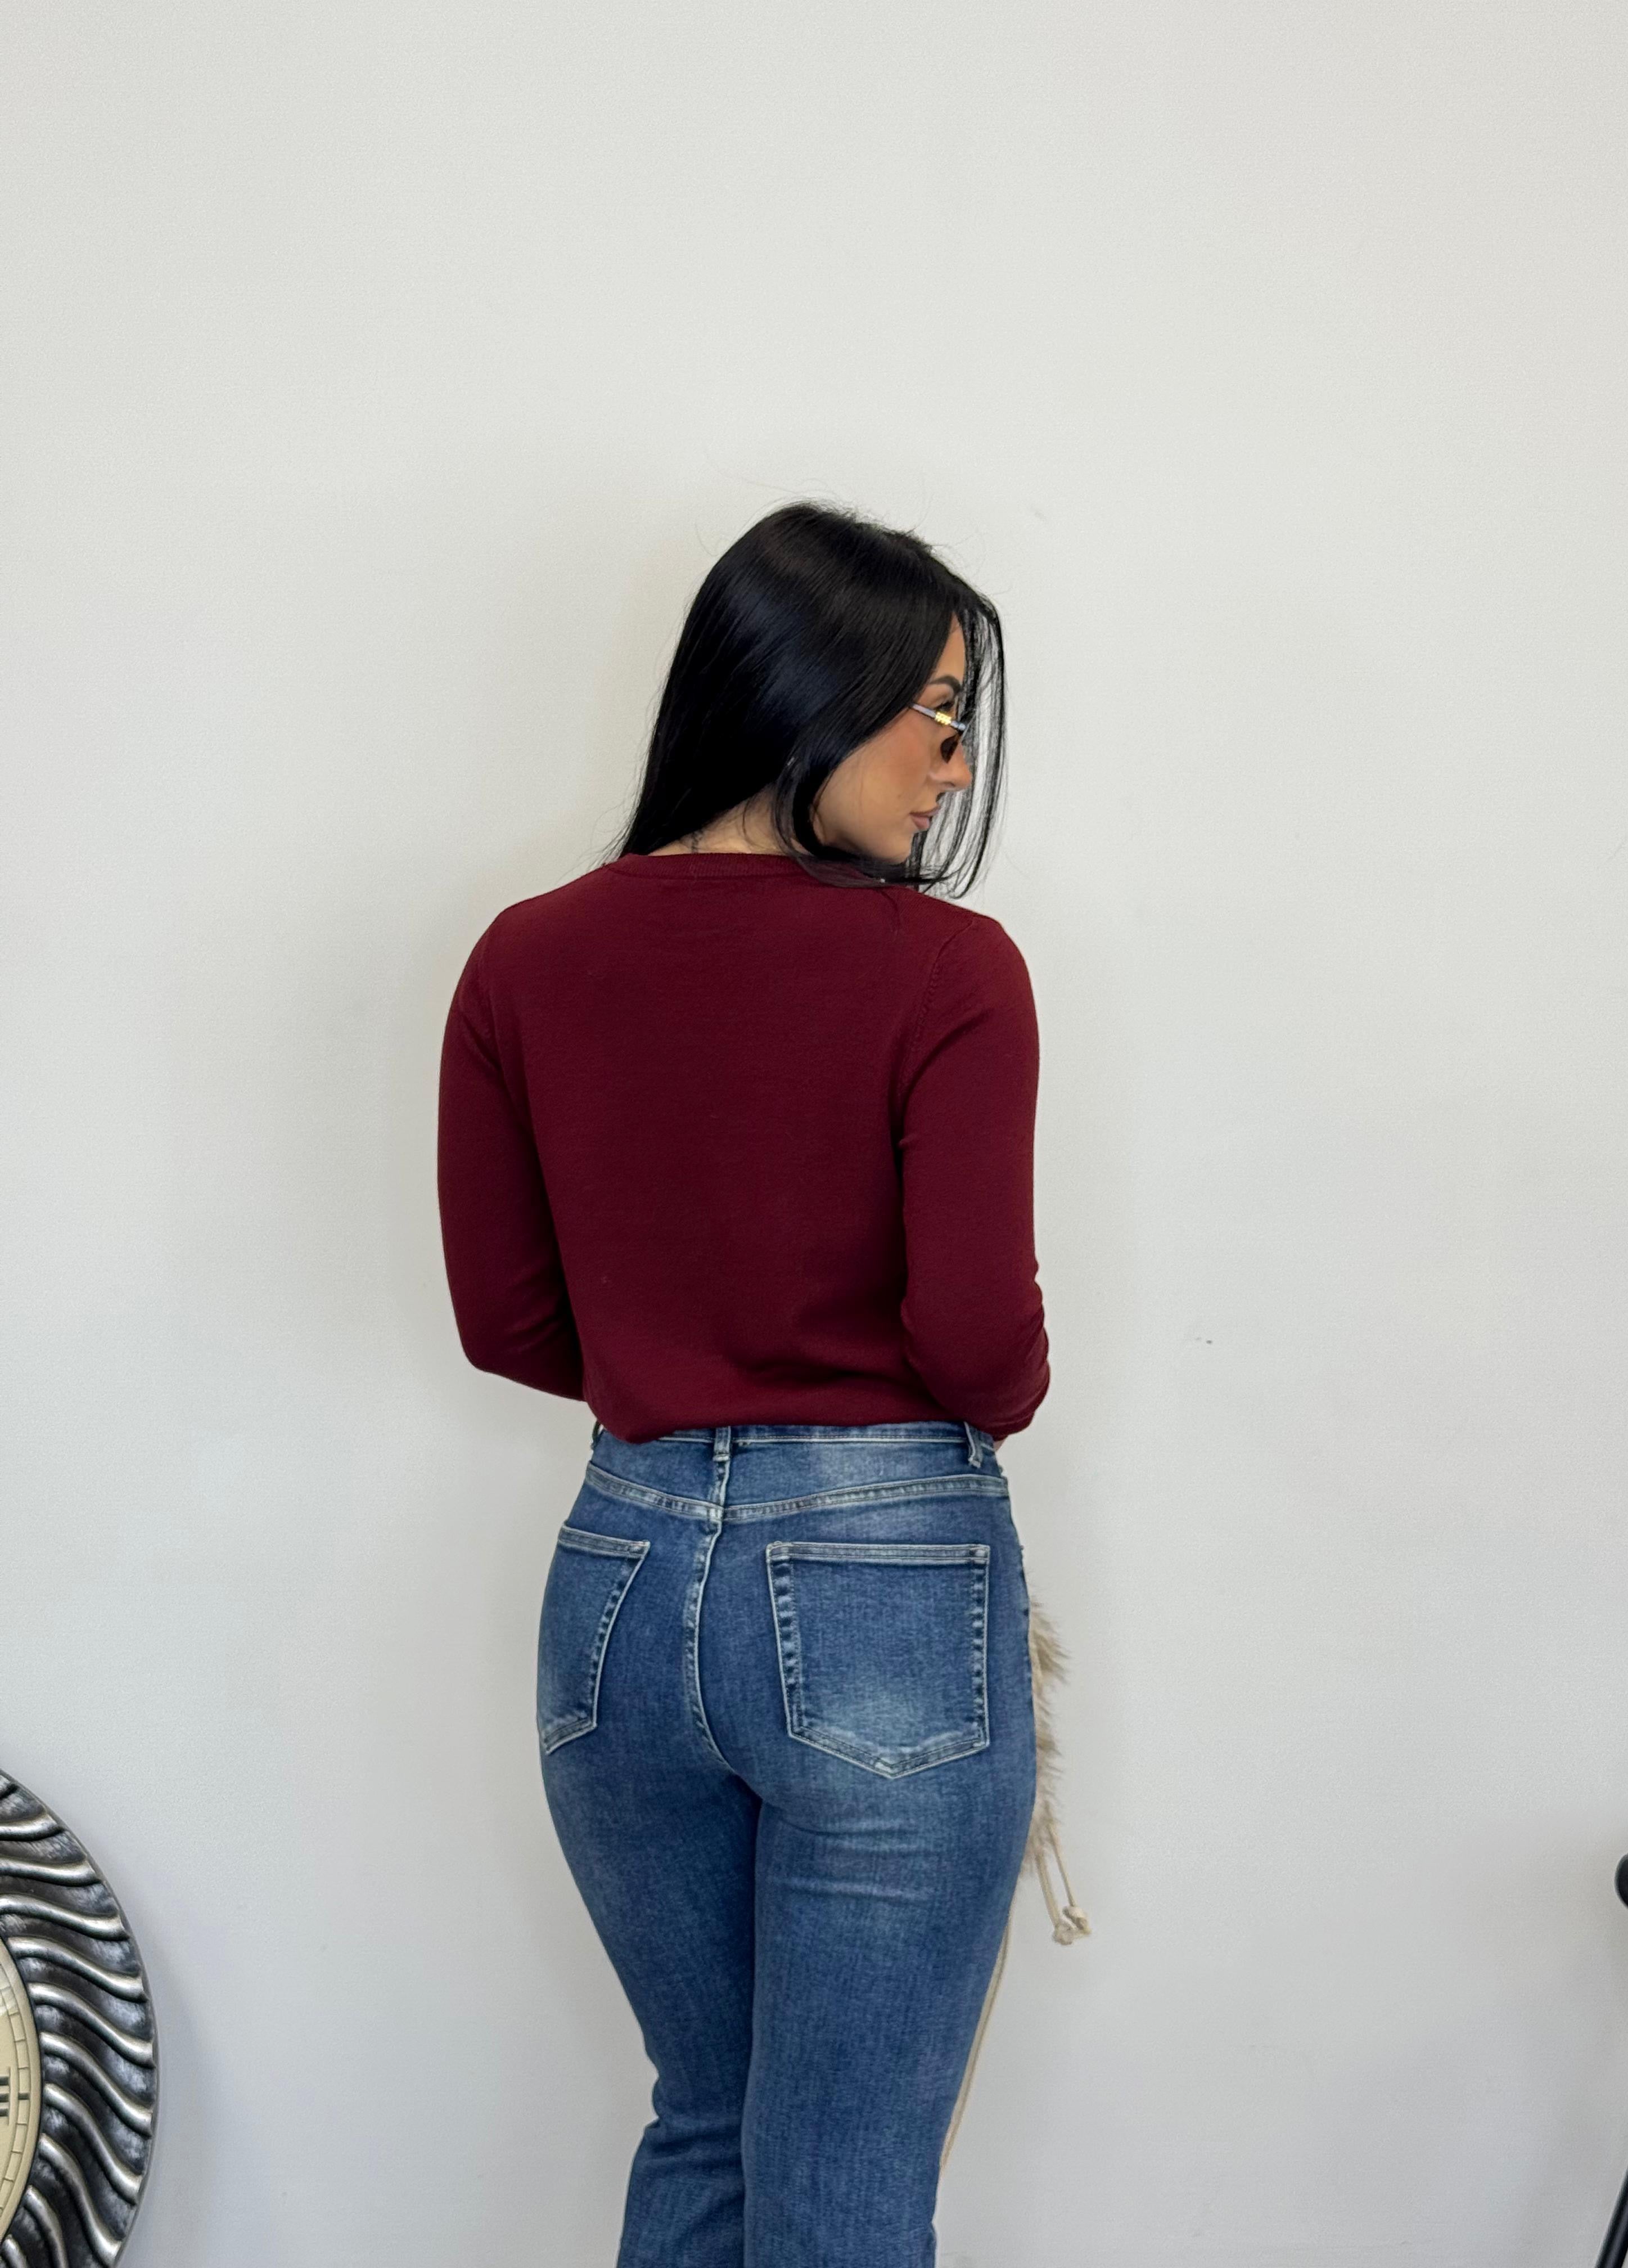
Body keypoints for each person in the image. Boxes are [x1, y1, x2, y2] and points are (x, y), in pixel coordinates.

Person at [436, 500, 1050, 2266]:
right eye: (940, 712)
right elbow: (979, 1351)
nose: (955, 765)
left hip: (620, 1590)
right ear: (816, 695)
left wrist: (689, 1373)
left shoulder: (526, 957)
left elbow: (508, 1323)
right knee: (844, 2177)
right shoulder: (950, 971)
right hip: (884, 1594)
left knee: (708, 2121)